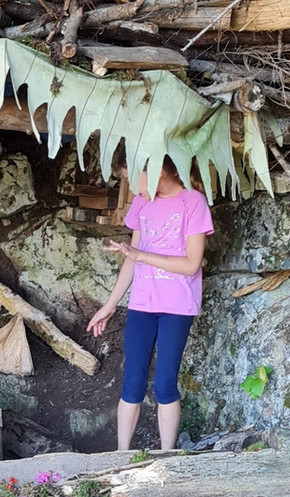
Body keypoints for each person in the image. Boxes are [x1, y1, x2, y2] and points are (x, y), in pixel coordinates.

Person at [86, 157, 214, 451]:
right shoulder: (141, 203)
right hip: (142, 303)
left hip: (177, 306)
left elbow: (191, 264)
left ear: (158, 172)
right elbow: (131, 259)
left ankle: (166, 456)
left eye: (135, 179)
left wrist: (141, 255)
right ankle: (120, 456)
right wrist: (109, 305)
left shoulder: (193, 203)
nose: (131, 188)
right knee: (132, 381)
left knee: (165, 384)